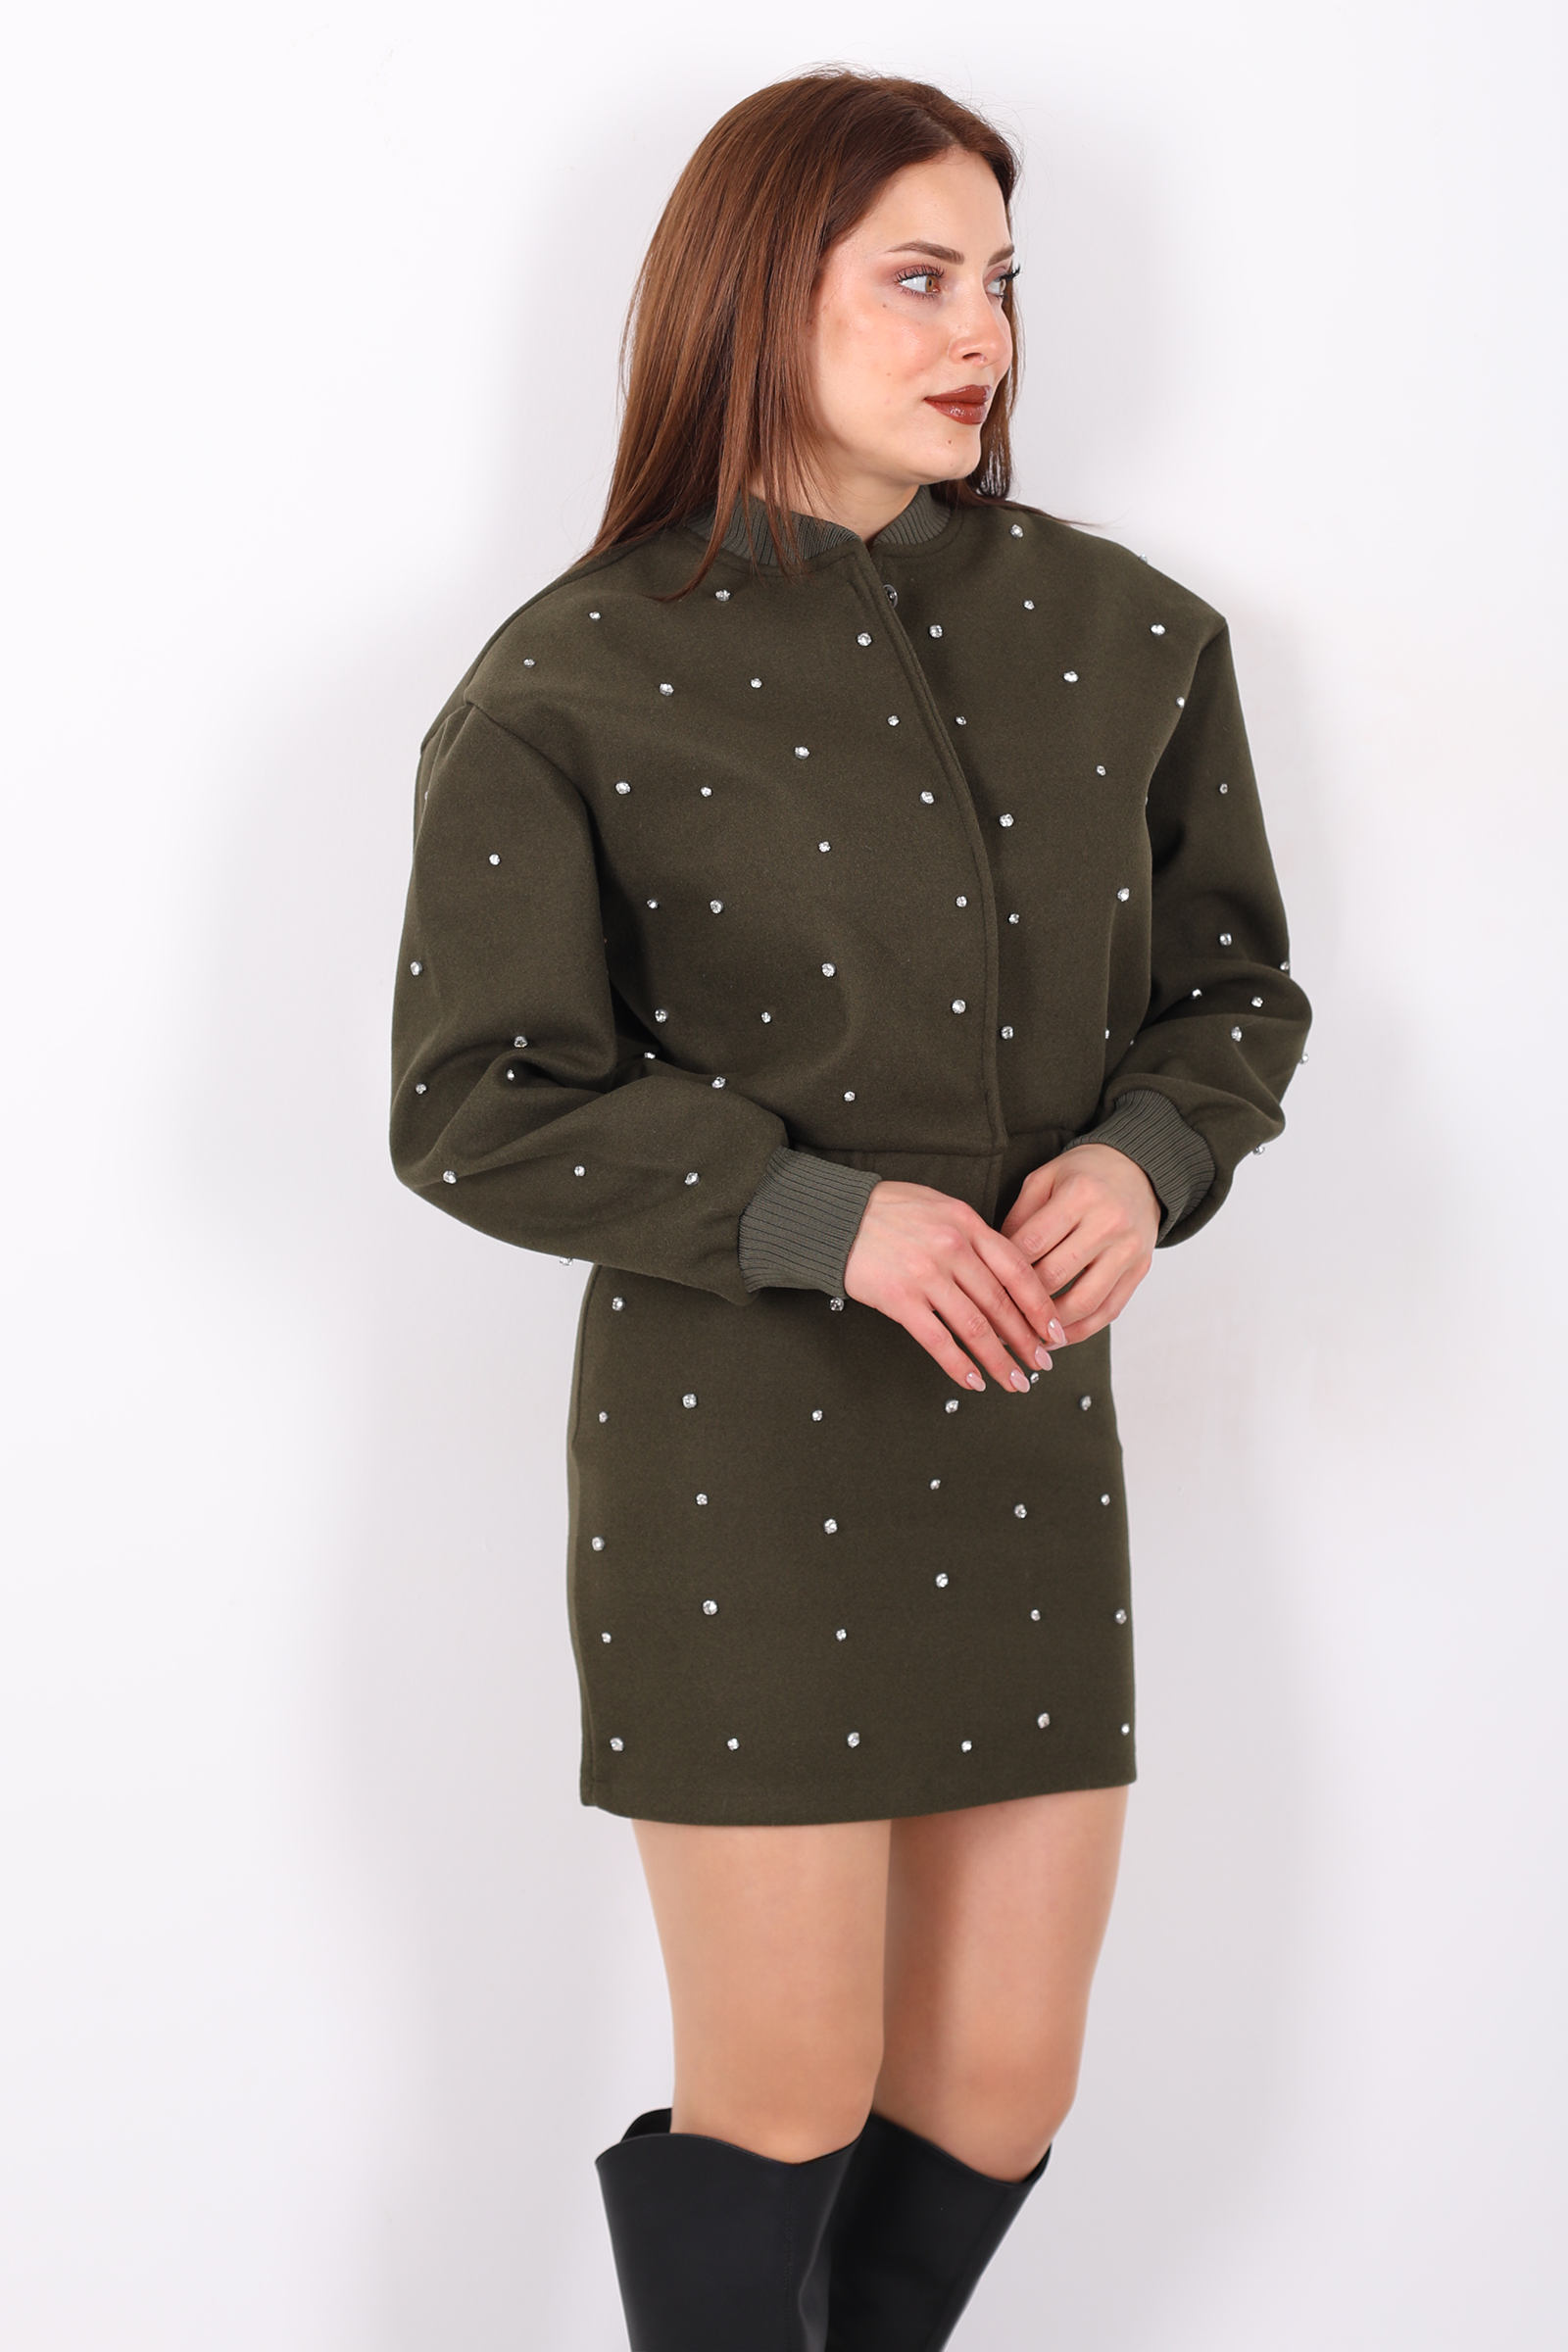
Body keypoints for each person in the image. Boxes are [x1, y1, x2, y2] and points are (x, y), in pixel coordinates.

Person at [388, 65, 1311, 2352]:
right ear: (749, 293)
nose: (976, 330)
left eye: (996, 279)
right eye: (914, 277)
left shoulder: (1129, 635)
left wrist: (1147, 1157)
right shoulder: (571, 674)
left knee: (997, 2087)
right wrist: (824, 1218)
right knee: (783, 2093)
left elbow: (1231, 997)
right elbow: (476, 1098)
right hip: (734, 1453)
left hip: (1020, 1434)